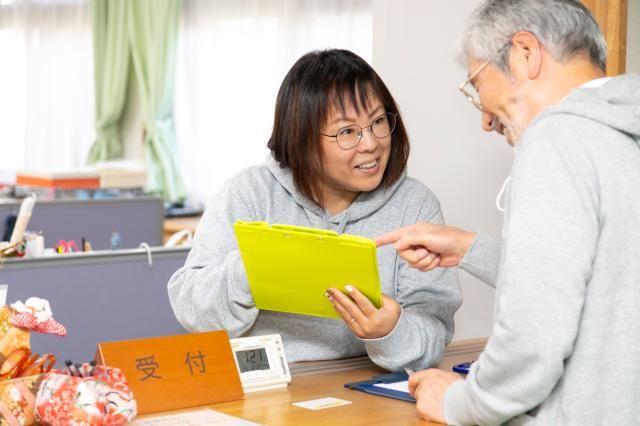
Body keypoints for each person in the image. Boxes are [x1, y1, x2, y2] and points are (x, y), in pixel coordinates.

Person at [376, 0, 640, 424]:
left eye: (476, 82)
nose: (485, 119)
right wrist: (469, 248)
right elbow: (606, 283)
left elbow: (532, 341)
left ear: (525, 52)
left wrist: (459, 402)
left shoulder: (556, 140)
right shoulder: (621, 135)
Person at [168, 49, 462, 371]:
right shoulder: (248, 193)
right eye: (347, 131)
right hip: (264, 384)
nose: (371, 143)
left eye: (378, 121)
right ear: (302, 139)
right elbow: (192, 309)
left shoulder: (415, 205)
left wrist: (391, 331)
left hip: (364, 384)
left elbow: (434, 334)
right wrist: (251, 268)